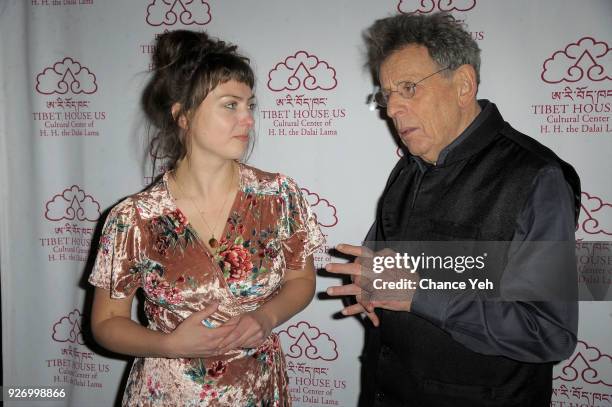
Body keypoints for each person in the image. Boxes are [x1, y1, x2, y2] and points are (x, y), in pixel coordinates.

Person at [325, 13, 581, 407]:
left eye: (408, 88)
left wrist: (418, 294)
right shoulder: (408, 168)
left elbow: (549, 332)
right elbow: (378, 267)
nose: (392, 109)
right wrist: (367, 284)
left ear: (463, 85)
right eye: (386, 94)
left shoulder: (536, 176)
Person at [89, 30, 324, 406]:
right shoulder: (134, 218)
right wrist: (168, 343)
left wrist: (266, 318)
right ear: (183, 114)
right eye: (230, 105)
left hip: (257, 389)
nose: (247, 119)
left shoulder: (278, 196)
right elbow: (105, 323)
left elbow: (301, 278)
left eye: (250, 105)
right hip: (169, 393)